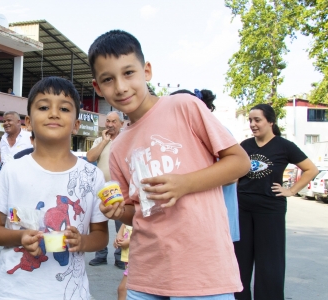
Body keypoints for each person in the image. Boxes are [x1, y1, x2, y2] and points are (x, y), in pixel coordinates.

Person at [89, 30, 251, 299]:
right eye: (108, 79)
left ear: (147, 71)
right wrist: (117, 212)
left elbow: (240, 162)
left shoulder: (184, 106)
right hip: (146, 272)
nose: (120, 87)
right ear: (97, 87)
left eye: (128, 73)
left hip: (202, 271)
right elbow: (135, 210)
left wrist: (185, 183)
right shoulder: (118, 146)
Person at [0, 76, 109, 299]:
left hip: (70, 293)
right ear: (28, 122)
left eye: (64, 108)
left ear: (76, 125)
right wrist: (20, 237)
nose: (53, 113)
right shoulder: (13, 171)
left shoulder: (92, 176)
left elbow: (101, 235)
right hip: (13, 293)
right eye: (43, 107)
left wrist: (82, 241)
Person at [234, 104, 317, 300]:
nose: (253, 124)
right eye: (250, 120)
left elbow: (311, 170)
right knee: (240, 261)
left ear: (270, 122)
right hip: (243, 209)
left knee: (270, 264)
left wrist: (291, 190)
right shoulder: (244, 146)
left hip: (270, 210)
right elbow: (234, 173)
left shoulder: (284, 146)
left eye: (257, 120)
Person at [171, 88, 241, 242]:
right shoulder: (179, 137)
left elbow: (233, 174)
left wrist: (186, 182)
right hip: (192, 225)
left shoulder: (217, 132)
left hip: (217, 224)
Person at [87, 111, 125, 269]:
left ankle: (120, 257)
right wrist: (104, 141)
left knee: (120, 224)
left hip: (121, 190)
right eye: (108, 121)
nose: (110, 124)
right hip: (101, 190)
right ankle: (100, 255)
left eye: (114, 121)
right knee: (99, 222)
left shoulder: (127, 139)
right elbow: (90, 158)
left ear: (121, 124)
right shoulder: (99, 140)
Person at [115, 224, 132, 300]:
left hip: (137, 260)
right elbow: (123, 224)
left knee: (122, 289)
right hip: (128, 259)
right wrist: (119, 237)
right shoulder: (132, 214)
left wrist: (129, 241)